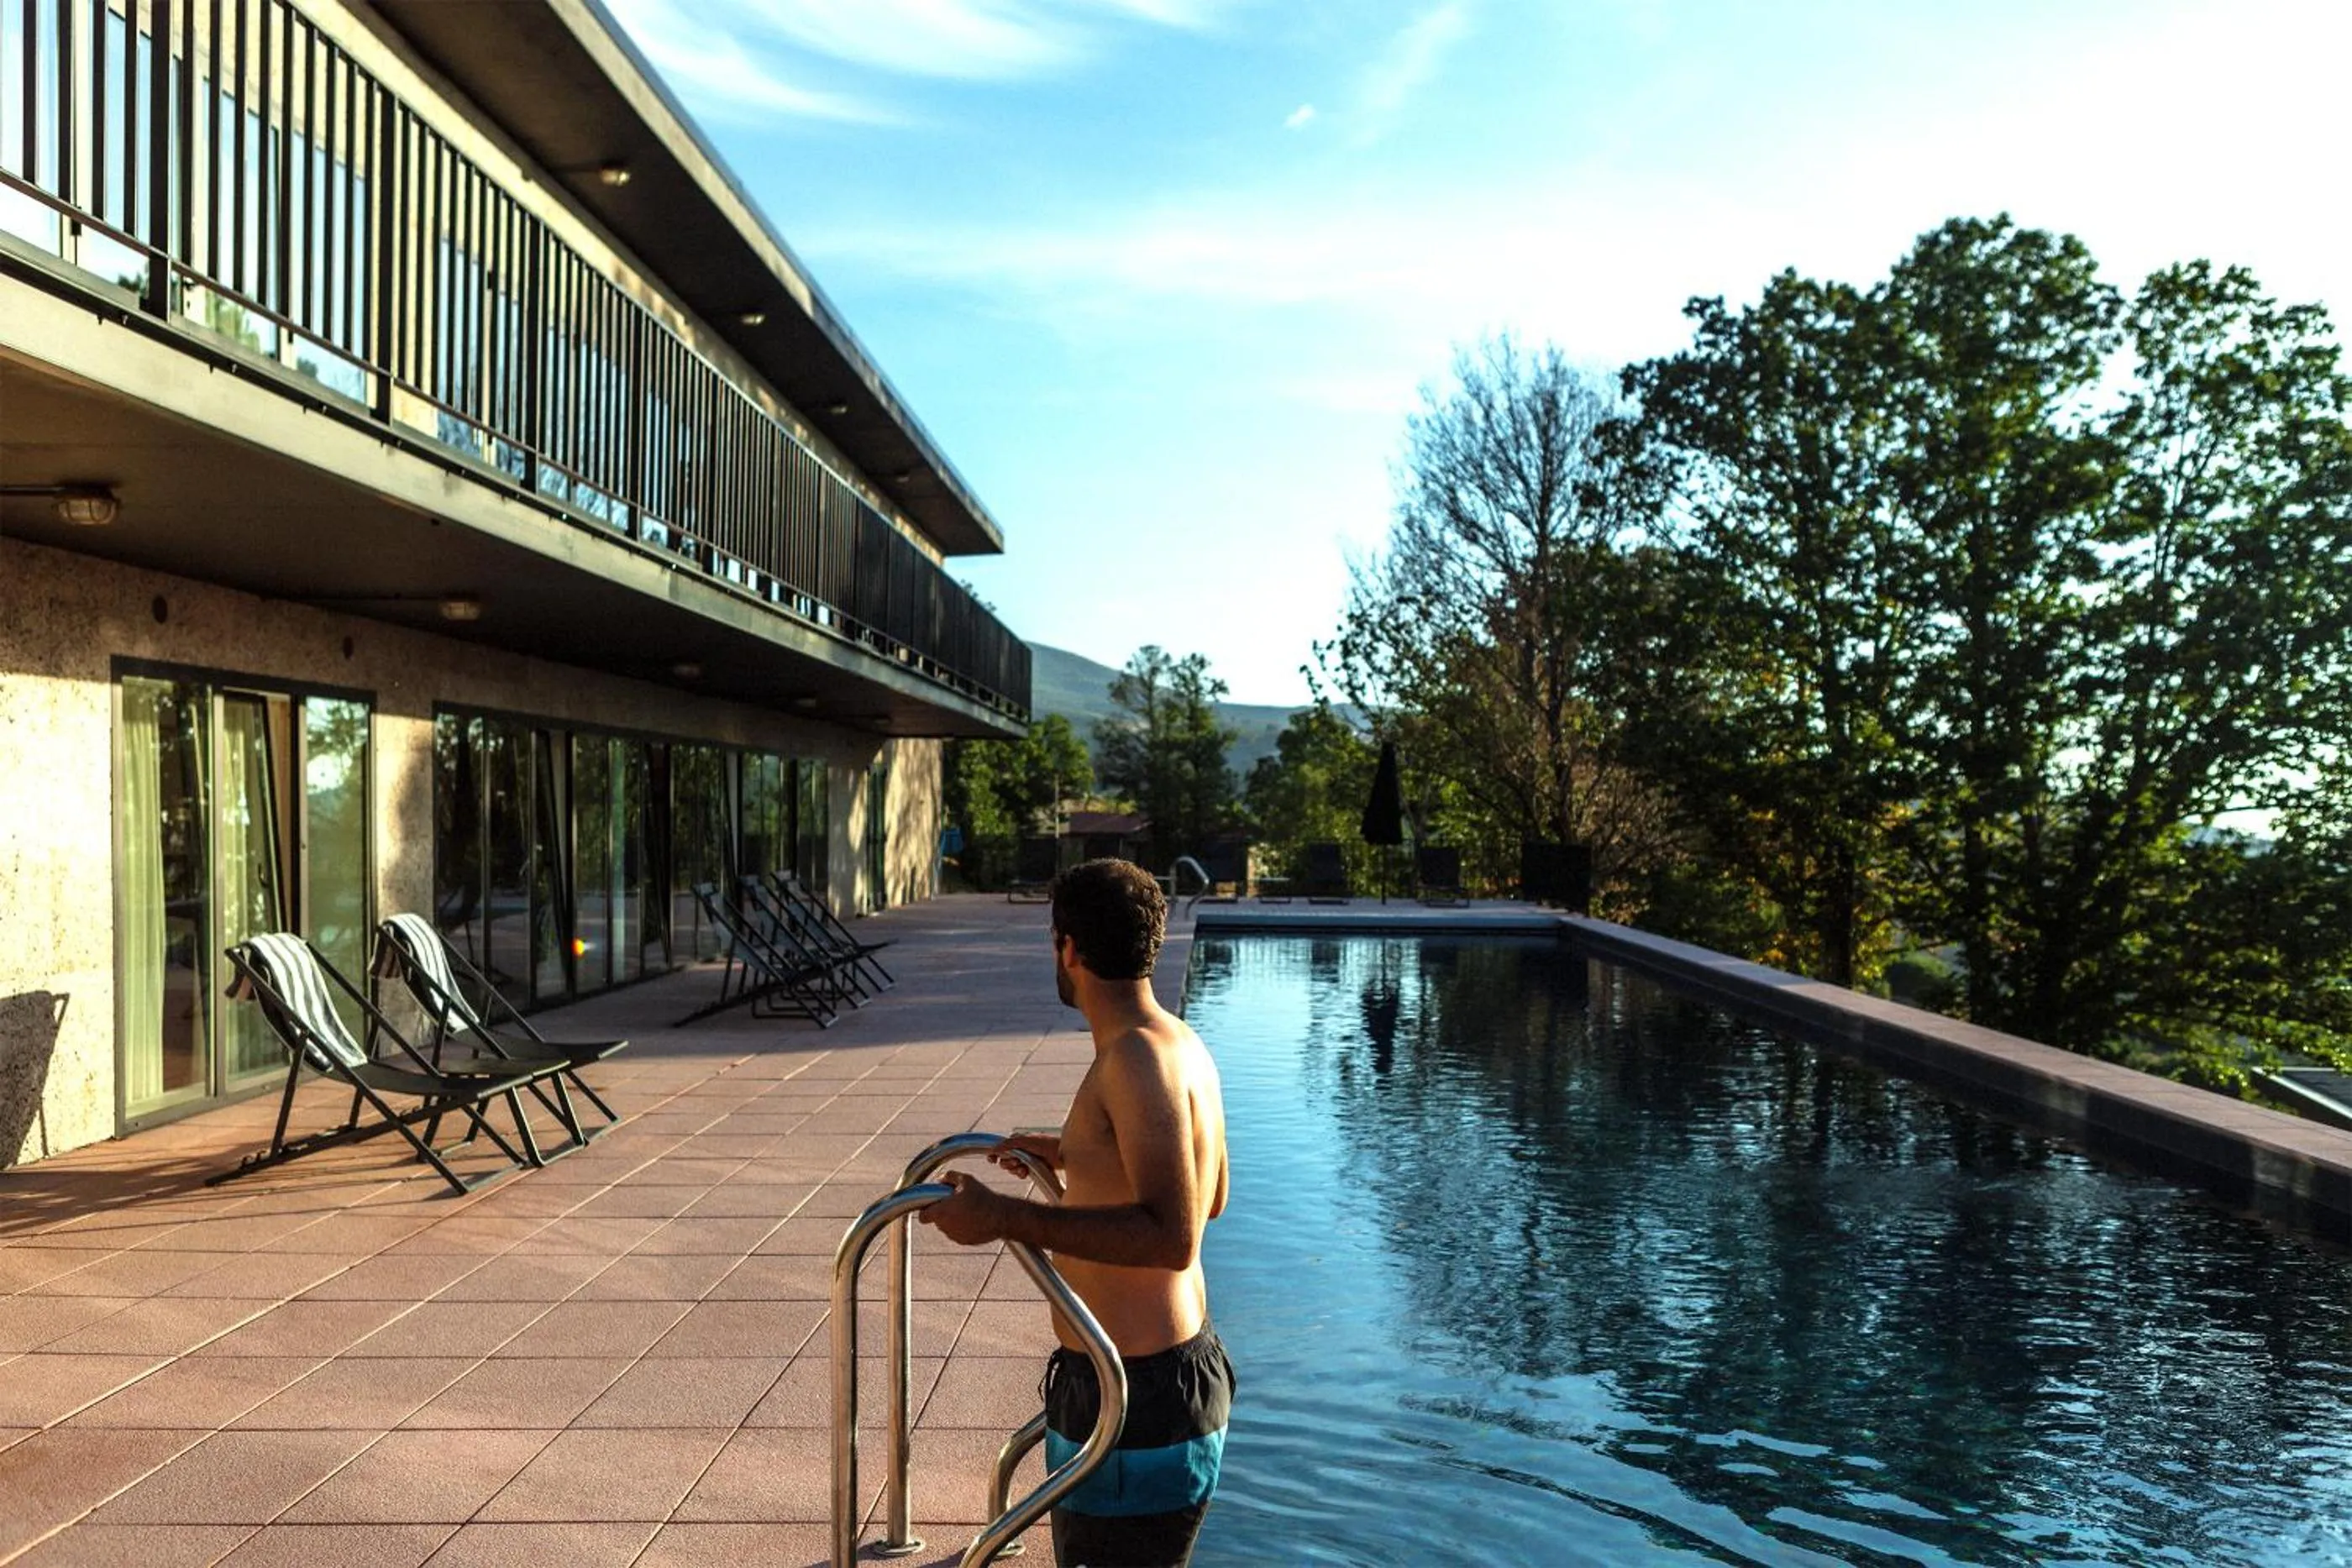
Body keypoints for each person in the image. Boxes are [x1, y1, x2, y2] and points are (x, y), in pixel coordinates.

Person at [919, 857, 1235, 1568]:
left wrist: (1004, 1215)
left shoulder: (1132, 1060)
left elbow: (1175, 1233)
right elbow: (1210, 1193)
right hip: (1161, 1380)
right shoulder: (1182, 1043)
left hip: (1137, 1397)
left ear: (1068, 947)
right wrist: (1076, 1152)